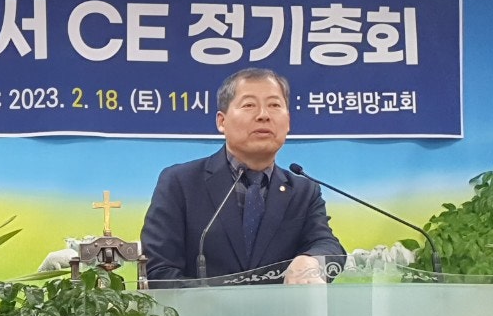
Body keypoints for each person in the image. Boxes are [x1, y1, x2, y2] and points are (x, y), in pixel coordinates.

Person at [140, 67, 344, 283]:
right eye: (249, 105)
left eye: (274, 105)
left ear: (288, 122)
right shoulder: (180, 183)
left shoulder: (303, 191)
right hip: (201, 306)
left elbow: (328, 245)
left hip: (281, 307)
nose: (264, 115)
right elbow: (159, 271)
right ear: (222, 121)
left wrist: (311, 260)